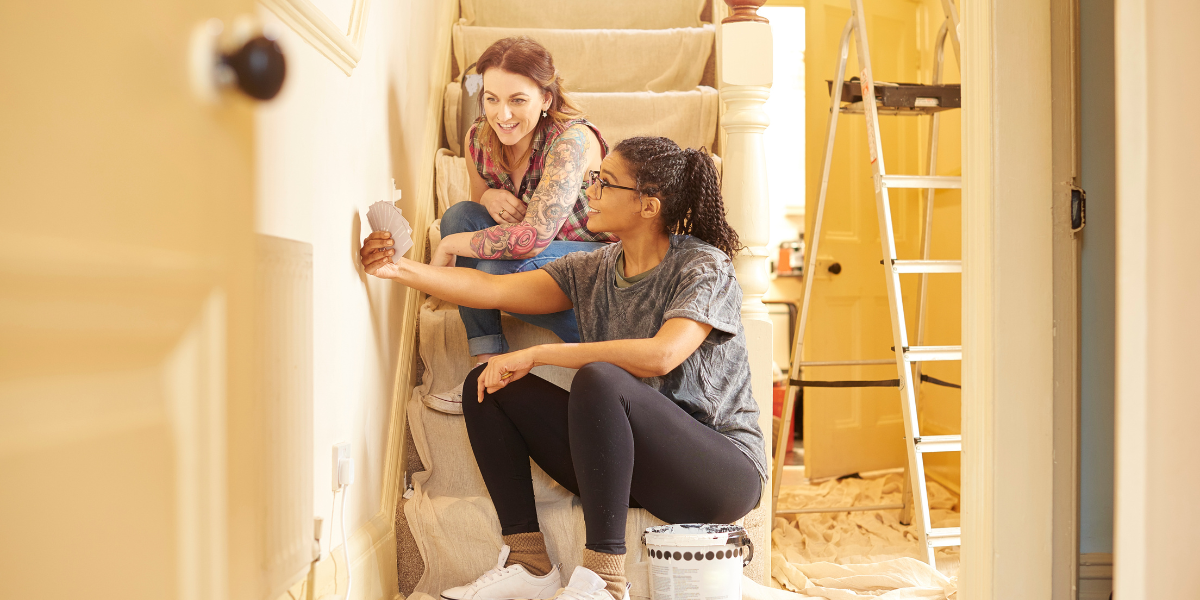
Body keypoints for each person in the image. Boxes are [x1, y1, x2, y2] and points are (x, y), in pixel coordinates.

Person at [360, 137, 766, 600]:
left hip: (718, 475)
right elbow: (488, 290)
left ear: (648, 205)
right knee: (487, 385)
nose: (588, 191)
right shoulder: (593, 269)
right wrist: (399, 269)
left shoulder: (703, 266)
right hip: (628, 467)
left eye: (604, 182)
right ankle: (529, 561)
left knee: (600, 377)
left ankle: (605, 579)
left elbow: (661, 356)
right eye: (593, 179)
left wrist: (538, 353)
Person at [433, 36, 616, 411]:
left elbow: (532, 239)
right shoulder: (478, 139)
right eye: (491, 98)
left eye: (518, 100)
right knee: (458, 217)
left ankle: (597, 343)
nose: (503, 115)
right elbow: (473, 211)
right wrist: (486, 197)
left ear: (546, 98)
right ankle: (483, 366)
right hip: (537, 260)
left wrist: (448, 246)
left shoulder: (571, 141)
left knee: (494, 265)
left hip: (593, 260)